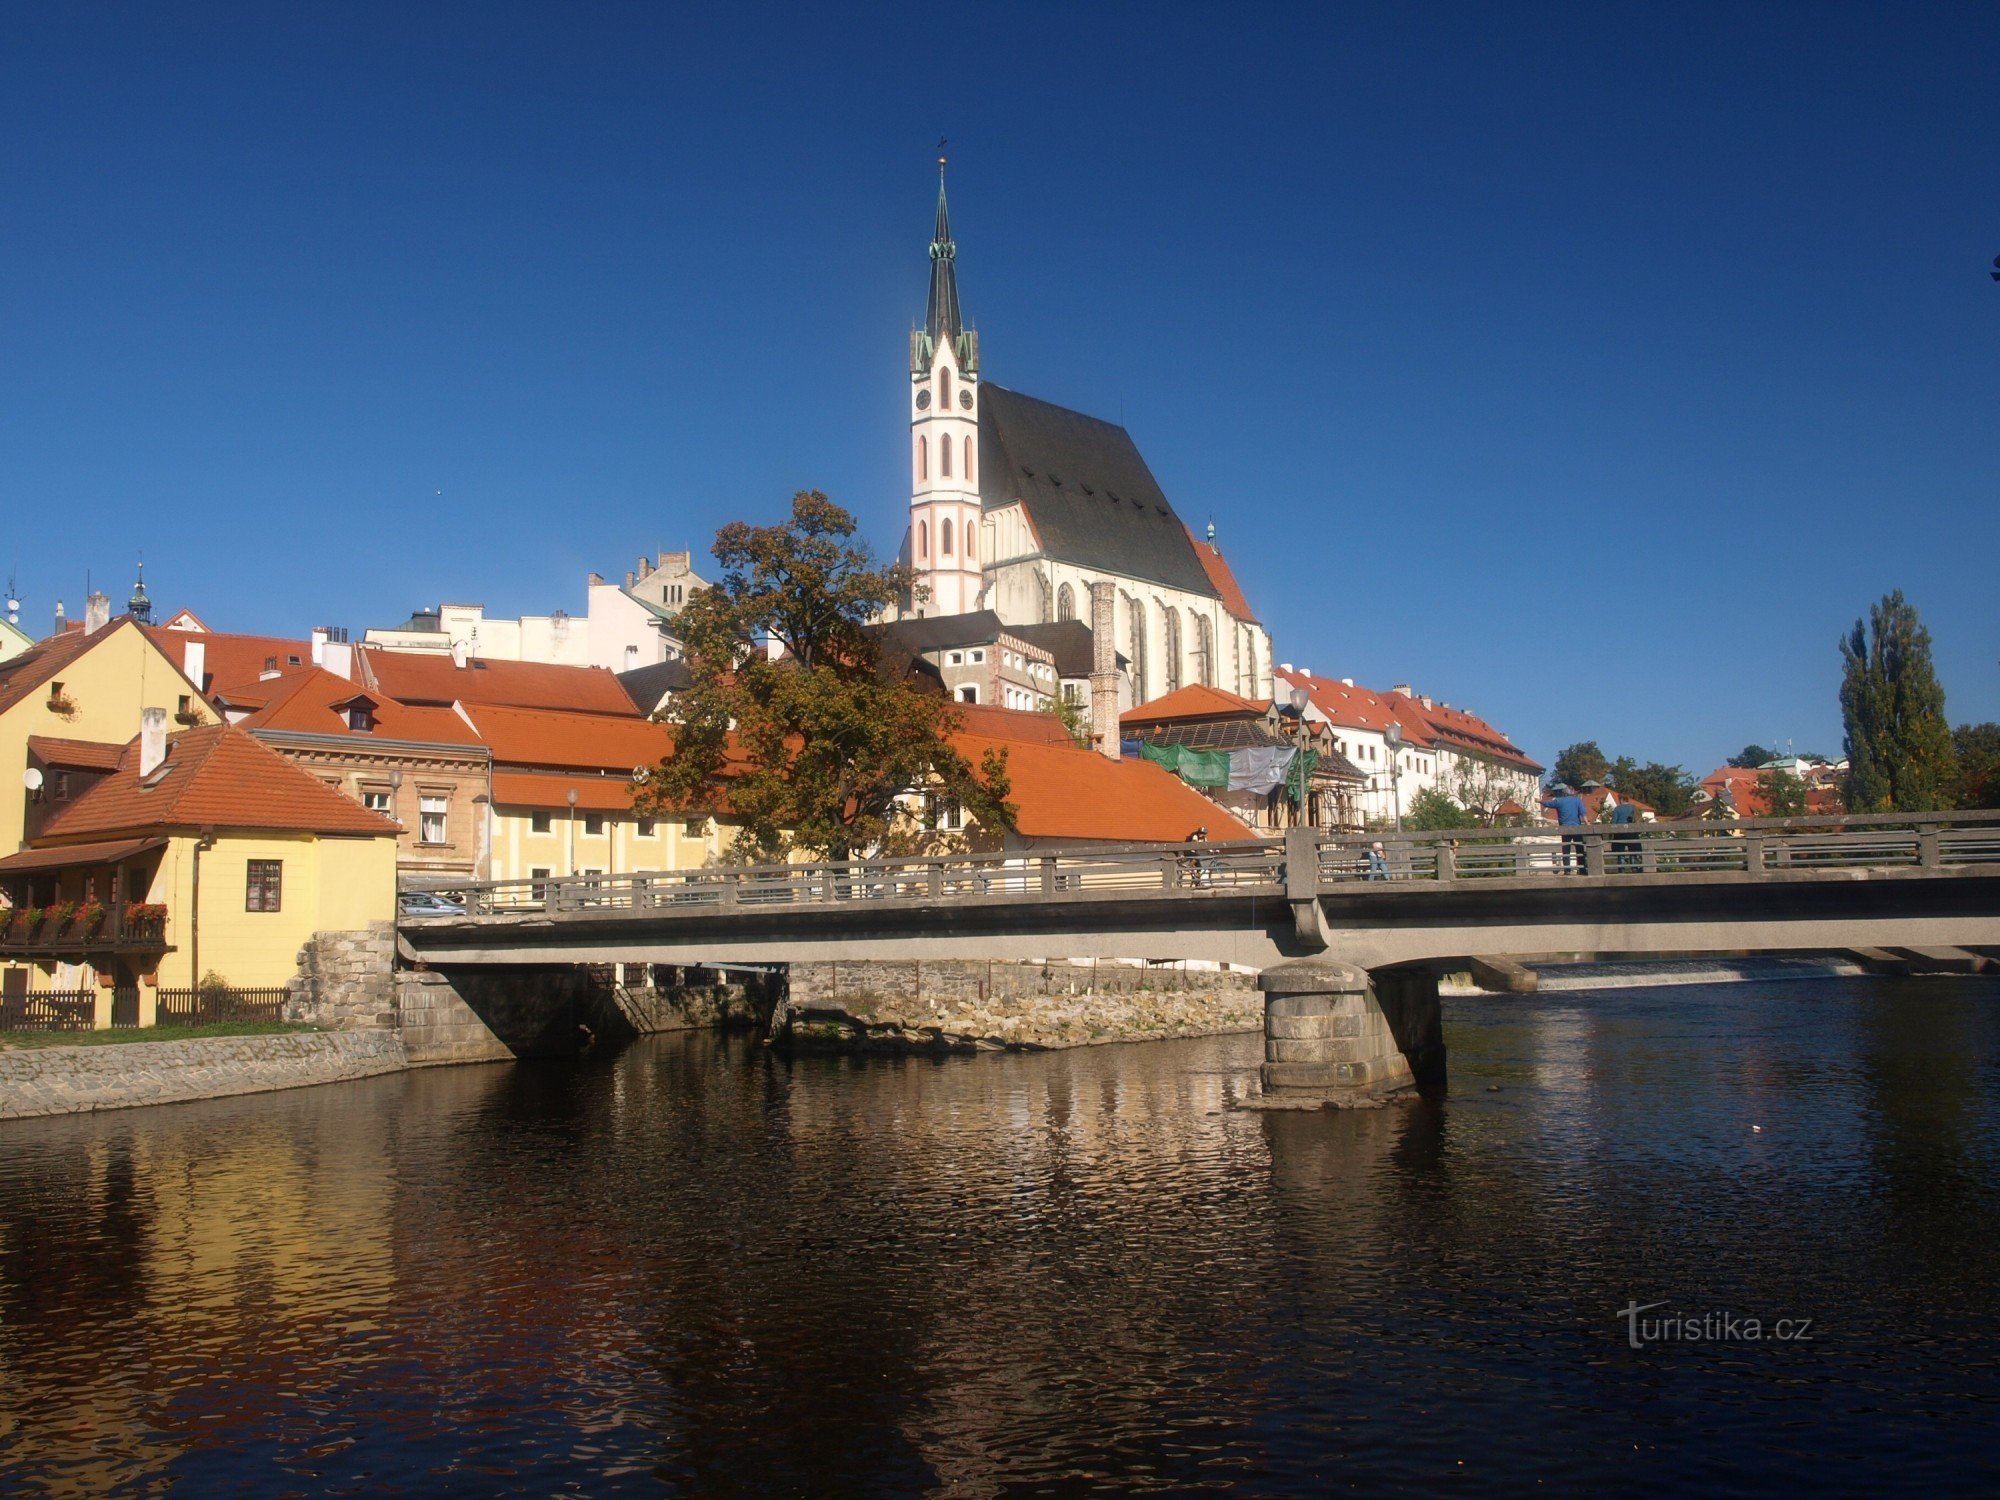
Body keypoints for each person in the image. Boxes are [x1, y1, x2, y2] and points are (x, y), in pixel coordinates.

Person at [1541, 783, 1588, 873]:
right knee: (1579, 848)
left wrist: (1540, 801)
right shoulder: (1577, 801)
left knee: (1566, 849)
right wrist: (1587, 824)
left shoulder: (1559, 801)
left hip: (1565, 828)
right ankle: (1582, 868)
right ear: (1573, 792)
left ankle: (1567, 869)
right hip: (1576, 828)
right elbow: (1583, 813)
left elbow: (1548, 803)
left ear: (1564, 793)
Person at [1606, 790, 1639, 872]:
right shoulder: (1633, 808)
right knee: (1633, 851)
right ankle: (1634, 868)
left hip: (1620, 833)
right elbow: (1637, 820)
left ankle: (1621, 869)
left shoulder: (1617, 809)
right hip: (1631, 833)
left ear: (1621, 799)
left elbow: (1613, 822)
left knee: (1621, 852)